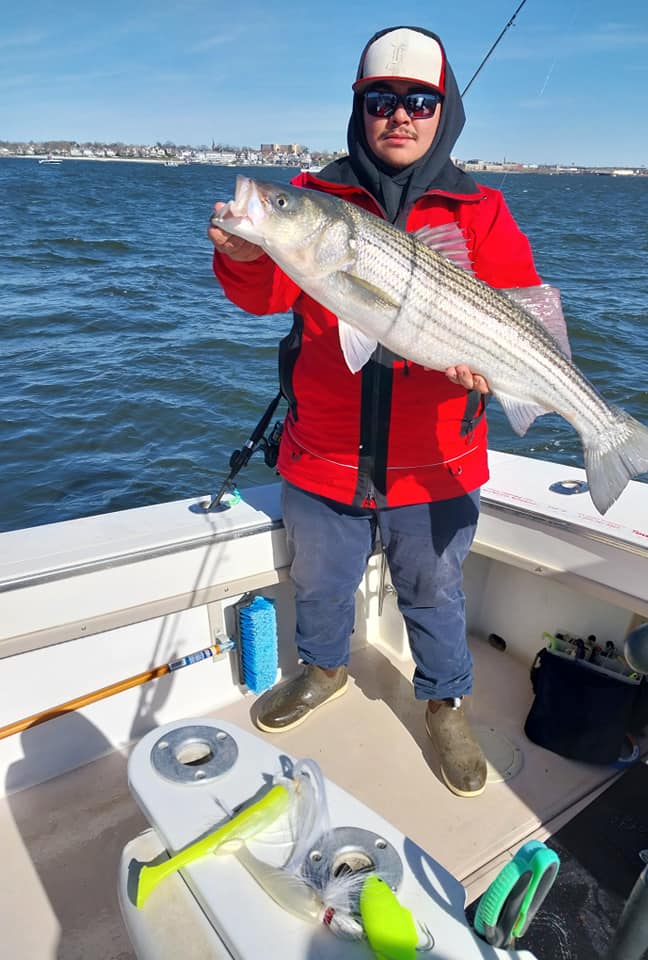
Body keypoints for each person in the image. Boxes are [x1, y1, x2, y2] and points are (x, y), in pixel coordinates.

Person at [208, 26, 542, 798]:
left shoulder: (482, 210)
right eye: (381, 99)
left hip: (439, 461)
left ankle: (446, 703)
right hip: (323, 451)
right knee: (320, 583)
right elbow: (261, 298)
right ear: (359, 109)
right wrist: (244, 250)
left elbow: (518, 312)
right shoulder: (315, 202)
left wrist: (487, 370)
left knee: (435, 592)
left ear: (442, 110)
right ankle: (324, 670)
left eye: (418, 100)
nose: (400, 114)